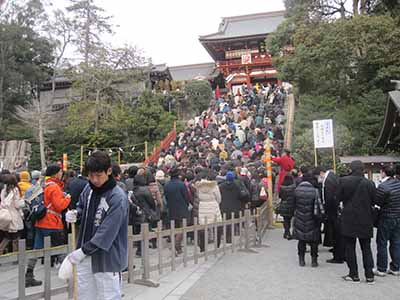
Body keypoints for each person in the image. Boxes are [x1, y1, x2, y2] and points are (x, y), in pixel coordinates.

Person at [65, 151, 128, 299]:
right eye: (91, 175)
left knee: (108, 295)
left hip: (107, 259)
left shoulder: (117, 197)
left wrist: (82, 251)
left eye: (98, 175)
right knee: (84, 295)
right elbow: (82, 206)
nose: (94, 180)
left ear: (109, 171)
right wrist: (76, 214)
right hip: (85, 254)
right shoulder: (88, 189)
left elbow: (107, 232)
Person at [26, 164, 71, 287]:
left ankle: (28, 275)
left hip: (40, 221)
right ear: (56, 173)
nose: (62, 174)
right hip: (52, 222)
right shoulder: (55, 187)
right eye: (61, 172)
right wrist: (67, 198)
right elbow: (59, 206)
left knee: (36, 250)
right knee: (61, 250)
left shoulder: (43, 185)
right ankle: (70, 278)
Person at [338, 160, 376, 284]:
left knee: (350, 247)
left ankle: (354, 274)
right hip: (366, 218)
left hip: (349, 218)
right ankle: (369, 275)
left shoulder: (344, 181)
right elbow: (374, 201)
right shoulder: (370, 183)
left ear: (351, 169)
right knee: (366, 247)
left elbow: (338, 198)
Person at [373, 165, 400, 277]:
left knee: (382, 243)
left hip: (386, 217)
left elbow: (377, 203)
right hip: (398, 216)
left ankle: (381, 268)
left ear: (383, 172)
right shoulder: (398, 183)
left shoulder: (383, 187)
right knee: (396, 242)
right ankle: (396, 267)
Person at [315, 166, 343, 263]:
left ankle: (338, 255)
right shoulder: (332, 176)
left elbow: (330, 197)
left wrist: (326, 211)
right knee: (336, 233)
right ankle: (337, 251)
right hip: (335, 210)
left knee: (335, 233)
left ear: (321, 173)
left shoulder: (328, 180)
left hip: (332, 211)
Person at [293, 171, 321, 267]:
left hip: (300, 218)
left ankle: (301, 259)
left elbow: (294, 205)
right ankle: (314, 260)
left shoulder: (296, 190)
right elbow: (319, 206)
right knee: (313, 241)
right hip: (312, 218)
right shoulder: (315, 191)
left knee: (301, 240)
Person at [194, 170, 223, 252]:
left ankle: (202, 246)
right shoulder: (214, 186)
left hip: (203, 205)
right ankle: (217, 244)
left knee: (203, 226)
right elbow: (219, 198)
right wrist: (215, 202)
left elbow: (198, 197)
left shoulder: (199, 186)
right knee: (217, 225)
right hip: (213, 205)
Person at [164, 167, 190, 254]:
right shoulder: (181, 184)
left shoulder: (167, 185)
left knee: (174, 228)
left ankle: (177, 246)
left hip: (171, 208)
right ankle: (177, 244)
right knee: (182, 228)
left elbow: (166, 197)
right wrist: (187, 204)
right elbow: (186, 197)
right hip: (182, 208)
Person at [0, 174, 25, 254]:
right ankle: (16, 256)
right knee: (16, 238)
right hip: (14, 216)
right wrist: (23, 201)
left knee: (7, 237)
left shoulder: (4, 190)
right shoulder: (15, 190)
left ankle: (1, 252)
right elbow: (17, 205)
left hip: (6, 216)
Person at [218, 171, 242, 243]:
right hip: (234, 207)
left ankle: (225, 236)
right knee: (232, 223)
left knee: (225, 222)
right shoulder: (236, 186)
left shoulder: (221, 186)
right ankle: (230, 237)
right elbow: (240, 196)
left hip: (223, 206)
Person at [278, 174, 296, 240]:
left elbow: (280, 196)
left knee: (285, 220)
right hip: (292, 205)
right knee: (291, 219)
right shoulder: (294, 187)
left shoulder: (281, 188)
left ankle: (287, 232)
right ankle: (290, 233)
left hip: (284, 204)